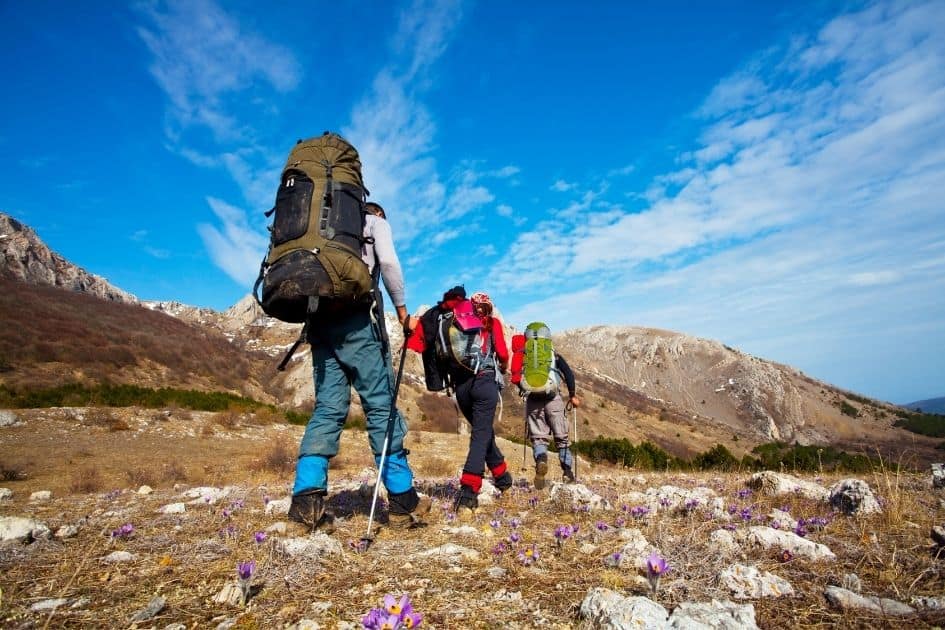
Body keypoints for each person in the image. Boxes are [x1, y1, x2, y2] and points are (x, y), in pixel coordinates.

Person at [288, 201, 430, 531]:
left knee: (327, 409)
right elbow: (390, 263)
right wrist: (403, 312)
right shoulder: (373, 222)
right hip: (356, 322)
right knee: (381, 406)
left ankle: (305, 503)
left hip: (319, 322)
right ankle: (401, 500)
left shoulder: (321, 229)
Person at [407, 290, 513, 519]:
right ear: (488, 307)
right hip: (485, 383)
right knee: (481, 434)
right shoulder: (491, 323)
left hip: (461, 389)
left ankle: (503, 478)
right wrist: (504, 367)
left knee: (482, 432)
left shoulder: (456, 322)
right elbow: (503, 353)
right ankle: (468, 491)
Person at [523, 348, 581, 489]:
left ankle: (541, 461)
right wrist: (572, 395)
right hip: (553, 399)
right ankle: (567, 472)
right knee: (562, 438)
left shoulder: (527, 356)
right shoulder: (554, 356)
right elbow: (569, 375)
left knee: (538, 438)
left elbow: (516, 375)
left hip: (533, 400)